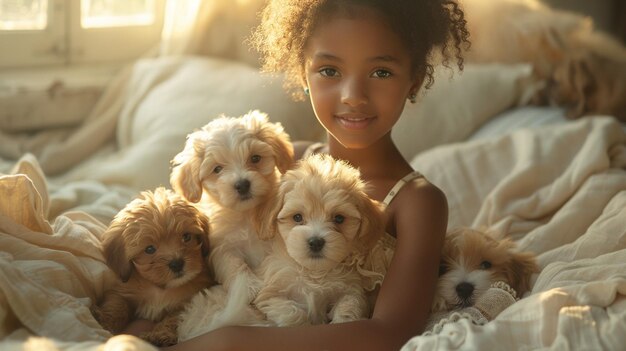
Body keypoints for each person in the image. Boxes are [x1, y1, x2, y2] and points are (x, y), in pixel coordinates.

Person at [161, 0, 469, 350]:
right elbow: (217, 242)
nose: (353, 96)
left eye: (381, 72)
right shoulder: (283, 164)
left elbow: (390, 333)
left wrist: (230, 341)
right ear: (302, 74)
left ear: (413, 81)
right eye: (329, 71)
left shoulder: (418, 202)